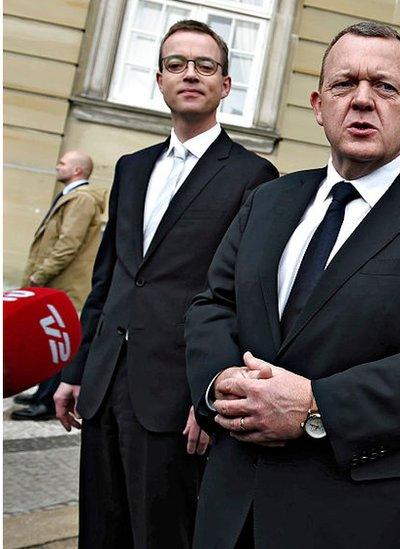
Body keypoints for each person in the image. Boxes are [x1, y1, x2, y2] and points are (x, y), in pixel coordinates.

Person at [184, 21, 400, 549]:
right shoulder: (269, 201)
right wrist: (218, 382)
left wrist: (316, 406)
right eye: (343, 84)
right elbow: (212, 303)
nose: (361, 101)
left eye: (384, 86)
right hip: (234, 503)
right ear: (317, 104)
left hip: (360, 514)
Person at [53, 20, 278, 549]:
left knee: (163, 535)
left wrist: (211, 398)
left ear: (225, 85)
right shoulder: (131, 169)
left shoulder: (254, 177)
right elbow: (108, 280)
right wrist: (77, 368)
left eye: (206, 65)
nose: (190, 74)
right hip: (107, 383)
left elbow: (246, 303)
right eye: (176, 64)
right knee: (101, 531)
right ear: (159, 79)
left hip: (178, 395)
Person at [12, 151, 104, 421]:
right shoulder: (70, 196)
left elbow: (67, 244)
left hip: (63, 285)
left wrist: (39, 275)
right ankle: (41, 392)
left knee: (58, 341)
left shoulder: (82, 200)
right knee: (46, 338)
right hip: (54, 284)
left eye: (62, 163)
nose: (57, 166)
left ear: (77, 170)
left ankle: (46, 403)